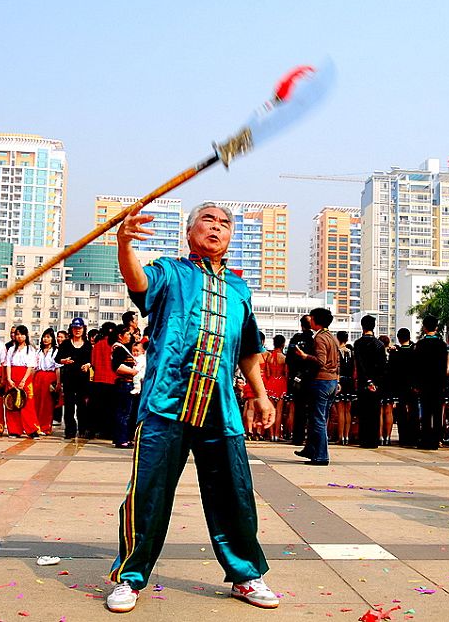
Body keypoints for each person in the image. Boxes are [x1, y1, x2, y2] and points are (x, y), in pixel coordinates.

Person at [107, 202, 277, 613]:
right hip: (167, 403)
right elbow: (139, 282)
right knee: (147, 493)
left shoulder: (240, 290)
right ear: (189, 231)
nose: (216, 227)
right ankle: (130, 577)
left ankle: (245, 576)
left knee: (234, 494)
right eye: (208, 220)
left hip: (221, 409)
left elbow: (249, 351)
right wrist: (124, 243)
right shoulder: (171, 272)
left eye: (224, 223)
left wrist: (260, 393)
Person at [293, 307, 339, 465]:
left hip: (322, 381)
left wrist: (305, 356)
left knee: (318, 419)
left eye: (311, 318)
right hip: (332, 381)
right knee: (319, 418)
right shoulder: (332, 337)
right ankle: (310, 449)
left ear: (317, 321)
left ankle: (321, 455)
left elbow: (321, 361)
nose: (310, 321)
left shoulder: (319, 338)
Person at [414, 315, 449, 450]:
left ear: (424, 327)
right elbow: (444, 366)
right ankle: (436, 439)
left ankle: (426, 439)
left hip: (424, 383)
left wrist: (417, 383)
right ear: (436, 327)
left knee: (426, 412)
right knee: (437, 411)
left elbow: (417, 366)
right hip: (438, 383)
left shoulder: (421, 344)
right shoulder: (442, 345)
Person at [354, 315, 387, 448]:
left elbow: (359, 365)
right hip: (376, 383)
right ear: (374, 326)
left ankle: (364, 439)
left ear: (362, 326)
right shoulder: (379, 344)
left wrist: (366, 379)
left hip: (362, 382)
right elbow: (382, 366)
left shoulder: (358, 344)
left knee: (363, 411)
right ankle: (374, 439)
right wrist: (375, 381)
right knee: (374, 412)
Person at [3, 325, 41, 438]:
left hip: (25, 377)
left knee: (27, 404)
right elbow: (8, 364)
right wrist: (9, 378)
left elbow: (30, 366)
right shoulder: (11, 349)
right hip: (12, 377)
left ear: (26, 335)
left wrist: (24, 380)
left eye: (22, 334)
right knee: (12, 403)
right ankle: (14, 430)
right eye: (17, 334)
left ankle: (31, 429)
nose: (19, 337)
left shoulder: (30, 349)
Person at [57, 318, 91, 439]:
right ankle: (70, 430)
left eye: (80, 328)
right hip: (69, 378)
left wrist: (88, 365)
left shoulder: (87, 344)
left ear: (83, 329)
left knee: (82, 405)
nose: (77, 330)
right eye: (75, 328)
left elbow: (92, 360)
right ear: (71, 329)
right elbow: (57, 358)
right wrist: (64, 361)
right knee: (69, 405)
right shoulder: (66, 343)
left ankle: (82, 429)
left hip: (82, 378)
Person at [285, 316, 313, 447]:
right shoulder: (315, 339)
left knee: (298, 409)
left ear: (301, 325)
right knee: (313, 410)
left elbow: (289, 359)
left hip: (297, 379)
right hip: (313, 378)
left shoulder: (296, 339)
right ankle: (312, 438)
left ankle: (297, 437)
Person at [387, 328, 418, 446]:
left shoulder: (395, 353)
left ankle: (404, 438)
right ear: (409, 337)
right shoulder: (415, 351)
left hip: (400, 387)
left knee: (401, 413)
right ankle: (414, 437)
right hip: (413, 387)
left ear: (399, 338)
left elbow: (391, 371)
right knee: (413, 411)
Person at [110, 323, 138, 448]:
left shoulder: (123, 348)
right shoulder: (119, 349)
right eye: (127, 334)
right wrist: (134, 372)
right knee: (124, 413)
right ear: (120, 336)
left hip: (127, 383)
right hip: (124, 384)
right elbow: (117, 367)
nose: (129, 336)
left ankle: (122, 437)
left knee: (125, 412)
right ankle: (122, 439)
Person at [89, 321, 118, 439]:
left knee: (97, 408)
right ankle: (108, 432)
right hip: (112, 380)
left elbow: (93, 363)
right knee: (110, 409)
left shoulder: (97, 344)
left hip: (98, 380)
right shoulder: (115, 345)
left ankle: (96, 430)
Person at [34, 328, 60, 436]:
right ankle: (36, 426)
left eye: (48, 337)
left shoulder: (56, 351)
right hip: (38, 376)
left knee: (47, 404)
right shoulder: (38, 351)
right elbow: (34, 367)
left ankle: (45, 427)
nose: (46, 339)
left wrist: (58, 382)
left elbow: (58, 368)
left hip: (50, 377)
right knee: (36, 402)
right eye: (44, 337)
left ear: (52, 339)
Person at [262, 334, 288, 442]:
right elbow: (286, 373)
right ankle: (277, 435)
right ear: (283, 344)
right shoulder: (284, 358)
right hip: (281, 383)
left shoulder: (269, 357)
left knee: (270, 411)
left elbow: (267, 374)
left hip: (271, 383)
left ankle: (271, 434)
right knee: (279, 412)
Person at [333, 331, 355, 445]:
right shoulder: (351, 352)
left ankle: (341, 436)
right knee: (348, 411)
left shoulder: (337, 352)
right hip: (350, 382)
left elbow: (337, 367)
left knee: (341, 411)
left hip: (340, 381)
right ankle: (347, 435)